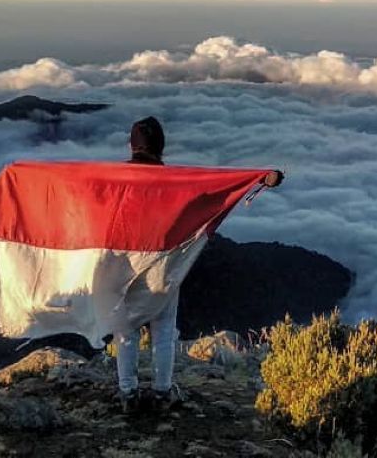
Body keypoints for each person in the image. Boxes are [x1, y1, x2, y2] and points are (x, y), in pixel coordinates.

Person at [114, 116, 282, 411]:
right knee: (163, 330)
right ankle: (162, 392)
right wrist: (261, 176)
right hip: (162, 268)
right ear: (161, 147)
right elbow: (212, 187)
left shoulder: (113, 180)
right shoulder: (175, 182)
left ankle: (128, 394)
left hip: (124, 266)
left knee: (125, 331)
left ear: (131, 145)